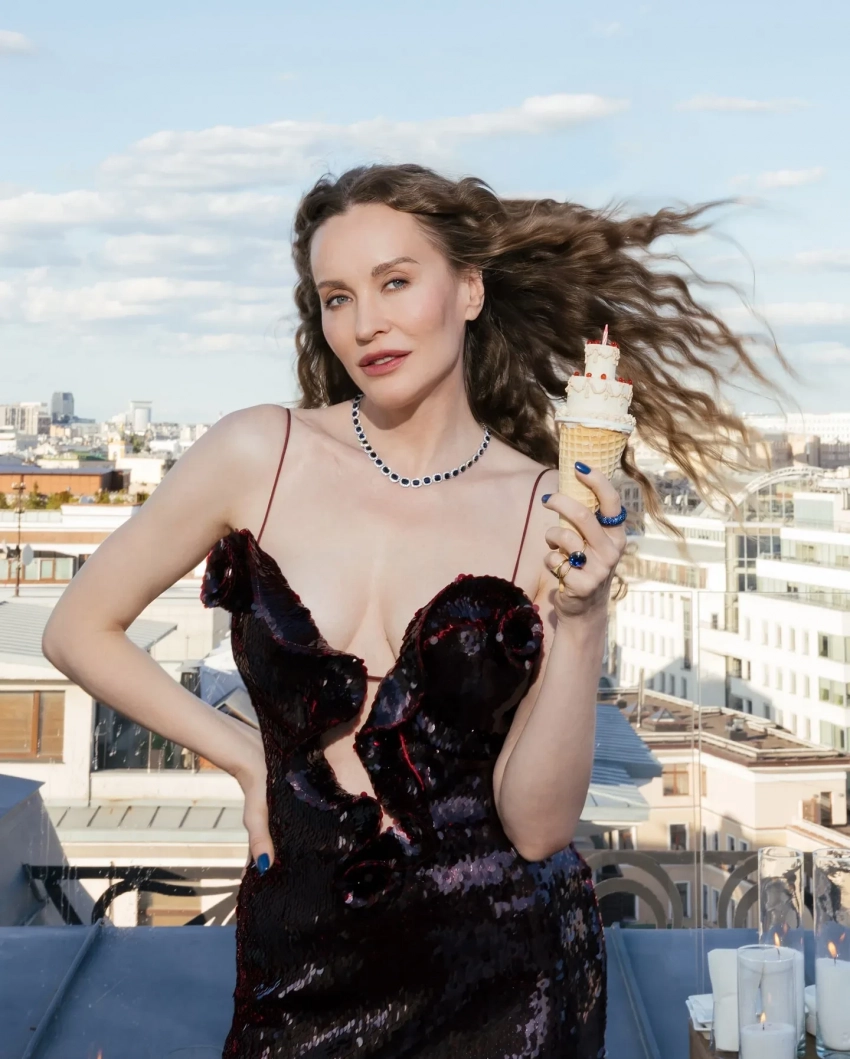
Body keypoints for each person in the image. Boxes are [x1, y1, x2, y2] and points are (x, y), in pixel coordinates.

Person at [42, 163, 795, 1058]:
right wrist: (248, 763)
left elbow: (538, 826)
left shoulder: (544, 508)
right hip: (301, 957)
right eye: (337, 297)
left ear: (470, 289)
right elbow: (77, 628)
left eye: (395, 282)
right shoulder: (258, 453)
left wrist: (585, 618)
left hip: (505, 981)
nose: (365, 322)